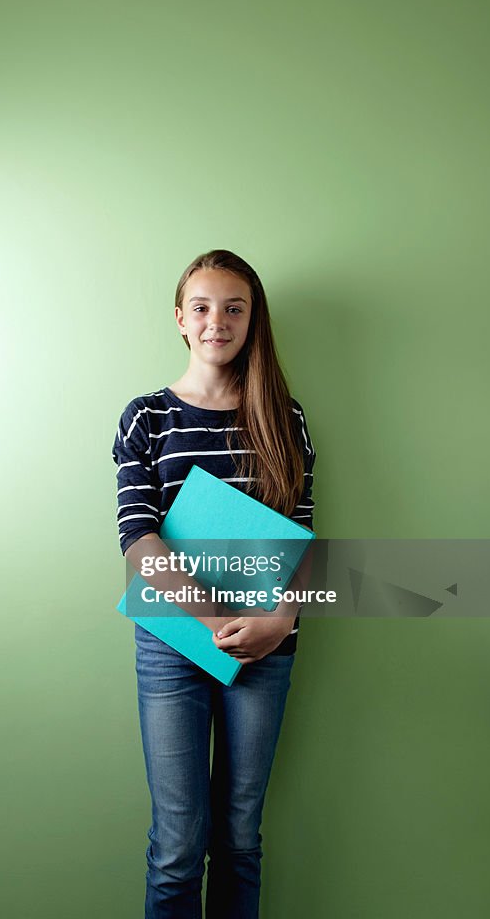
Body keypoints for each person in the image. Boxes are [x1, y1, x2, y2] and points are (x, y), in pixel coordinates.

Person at [112, 249, 316, 919]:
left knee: (238, 838)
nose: (216, 321)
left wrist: (281, 620)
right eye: (201, 307)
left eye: (234, 308)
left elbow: (301, 536)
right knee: (177, 844)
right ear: (179, 318)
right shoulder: (146, 417)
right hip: (172, 644)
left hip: (264, 645)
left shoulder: (283, 417)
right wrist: (207, 623)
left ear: (253, 319)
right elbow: (139, 543)